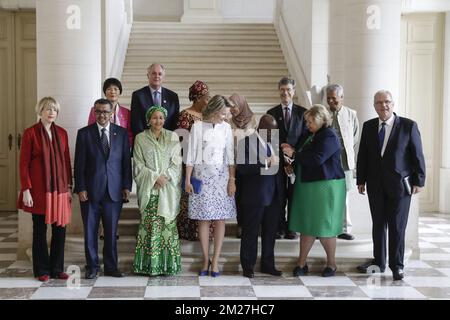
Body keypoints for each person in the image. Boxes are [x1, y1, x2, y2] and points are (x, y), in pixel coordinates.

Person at [356, 90, 426, 281]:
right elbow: (363, 155)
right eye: (379, 103)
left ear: (393, 104)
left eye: (387, 102)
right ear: (374, 106)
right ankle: (379, 262)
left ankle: (397, 267)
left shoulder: (408, 126)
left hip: (400, 186)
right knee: (378, 225)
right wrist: (360, 179)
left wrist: (419, 180)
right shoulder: (369, 126)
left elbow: (417, 155)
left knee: (397, 227)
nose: (383, 106)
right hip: (375, 185)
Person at [282, 104, 346, 277]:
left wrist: (294, 154)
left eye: (311, 121)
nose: (308, 124)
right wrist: (292, 165)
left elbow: (317, 158)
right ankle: (301, 263)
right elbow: (303, 156)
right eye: (307, 121)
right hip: (307, 185)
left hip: (326, 187)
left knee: (325, 227)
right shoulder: (310, 134)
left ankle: (331, 264)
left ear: (321, 120)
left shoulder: (329, 135)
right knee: (306, 225)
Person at [74, 98, 132, 279]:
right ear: (94, 112)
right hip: (90, 192)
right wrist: (81, 187)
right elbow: (79, 164)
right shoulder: (84, 134)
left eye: (106, 112)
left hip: (114, 192)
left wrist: (126, 186)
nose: (102, 115)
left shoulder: (121, 134)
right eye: (98, 111)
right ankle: (92, 266)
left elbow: (125, 164)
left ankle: (111, 267)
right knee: (90, 232)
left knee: (111, 232)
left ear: (111, 113)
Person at [17, 97, 72, 282]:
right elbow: (23, 164)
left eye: (54, 110)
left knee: (60, 230)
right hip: (38, 191)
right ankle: (41, 270)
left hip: (60, 190)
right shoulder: (30, 133)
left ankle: (57, 268)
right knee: (39, 230)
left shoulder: (63, 133)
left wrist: (69, 186)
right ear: (40, 111)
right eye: (47, 109)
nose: (51, 113)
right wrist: (26, 189)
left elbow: (66, 162)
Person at [185, 95, 237, 277]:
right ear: (214, 111)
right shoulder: (197, 126)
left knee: (220, 219)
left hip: (222, 180)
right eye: (223, 113)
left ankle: (215, 261)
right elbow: (190, 155)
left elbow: (230, 157)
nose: (225, 117)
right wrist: (187, 179)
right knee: (203, 220)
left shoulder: (226, 128)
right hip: (201, 179)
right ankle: (205, 259)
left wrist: (232, 180)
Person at [132, 106, 182, 276]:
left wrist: (165, 177)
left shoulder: (173, 136)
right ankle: (149, 266)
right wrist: (154, 177)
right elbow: (138, 164)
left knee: (167, 228)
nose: (158, 121)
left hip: (167, 190)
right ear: (148, 119)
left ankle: (168, 266)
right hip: (150, 189)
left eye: (161, 118)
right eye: (154, 118)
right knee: (151, 228)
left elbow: (177, 162)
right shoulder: (140, 138)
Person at [237, 114, 284, 278]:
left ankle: (267, 265)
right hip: (254, 196)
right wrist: (266, 163)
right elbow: (243, 168)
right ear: (262, 128)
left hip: (273, 196)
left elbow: (277, 168)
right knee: (250, 232)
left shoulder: (274, 143)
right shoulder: (246, 143)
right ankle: (248, 266)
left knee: (270, 233)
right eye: (272, 131)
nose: (274, 133)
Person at [87, 77, 132, 241]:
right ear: (105, 92)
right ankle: (102, 228)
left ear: (120, 92)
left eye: (116, 89)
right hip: (100, 159)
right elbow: (91, 132)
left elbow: (129, 134)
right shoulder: (96, 110)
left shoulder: (126, 112)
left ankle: (113, 227)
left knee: (115, 197)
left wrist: (127, 151)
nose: (112, 91)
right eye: (109, 89)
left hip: (119, 159)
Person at [267, 77, 307, 240]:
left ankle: (292, 227)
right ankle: (279, 227)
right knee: (279, 196)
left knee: (294, 195)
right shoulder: (272, 113)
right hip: (277, 162)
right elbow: (268, 139)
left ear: (294, 91)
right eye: (282, 89)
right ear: (279, 91)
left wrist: (294, 153)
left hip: (296, 162)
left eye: (288, 89)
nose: (285, 93)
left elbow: (306, 137)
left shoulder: (303, 112)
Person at [176, 80, 214, 241]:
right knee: (191, 197)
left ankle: (206, 232)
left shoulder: (209, 116)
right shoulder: (185, 115)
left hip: (208, 166)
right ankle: (190, 231)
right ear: (197, 98)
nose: (208, 101)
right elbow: (181, 141)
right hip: (190, 164)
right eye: (206, 98)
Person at [326, 84, 360, 240]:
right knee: (327, 195)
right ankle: (327, 227)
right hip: (327, 163)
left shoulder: (351, 114)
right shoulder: (324, 113)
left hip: (345, 162)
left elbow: (354, 137)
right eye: (328, 98)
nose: (331, 101)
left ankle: (344, 229)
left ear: (341, 97)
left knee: (344, 197)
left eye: (334, 98)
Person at [228, 93, 258, 239]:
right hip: (234, 163)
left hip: (249, 164)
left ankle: (249, 224)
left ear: (241, 104)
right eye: (231, 106)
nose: (232, 109)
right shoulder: (228, 120)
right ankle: (240, 225)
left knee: (249, 196)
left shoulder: (253, 119)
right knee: (238, 197)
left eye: (234, 106)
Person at [130, 63, 180, 141]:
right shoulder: (138, 95)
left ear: (163, 76)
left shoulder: (173, 97)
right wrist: (145, 140)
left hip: (167, 141)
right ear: (148, 75)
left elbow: (175, 122)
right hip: (145, 141)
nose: (157, 76)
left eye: (160, 74)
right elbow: (136, 122)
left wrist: (167, 139)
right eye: (153, 73)